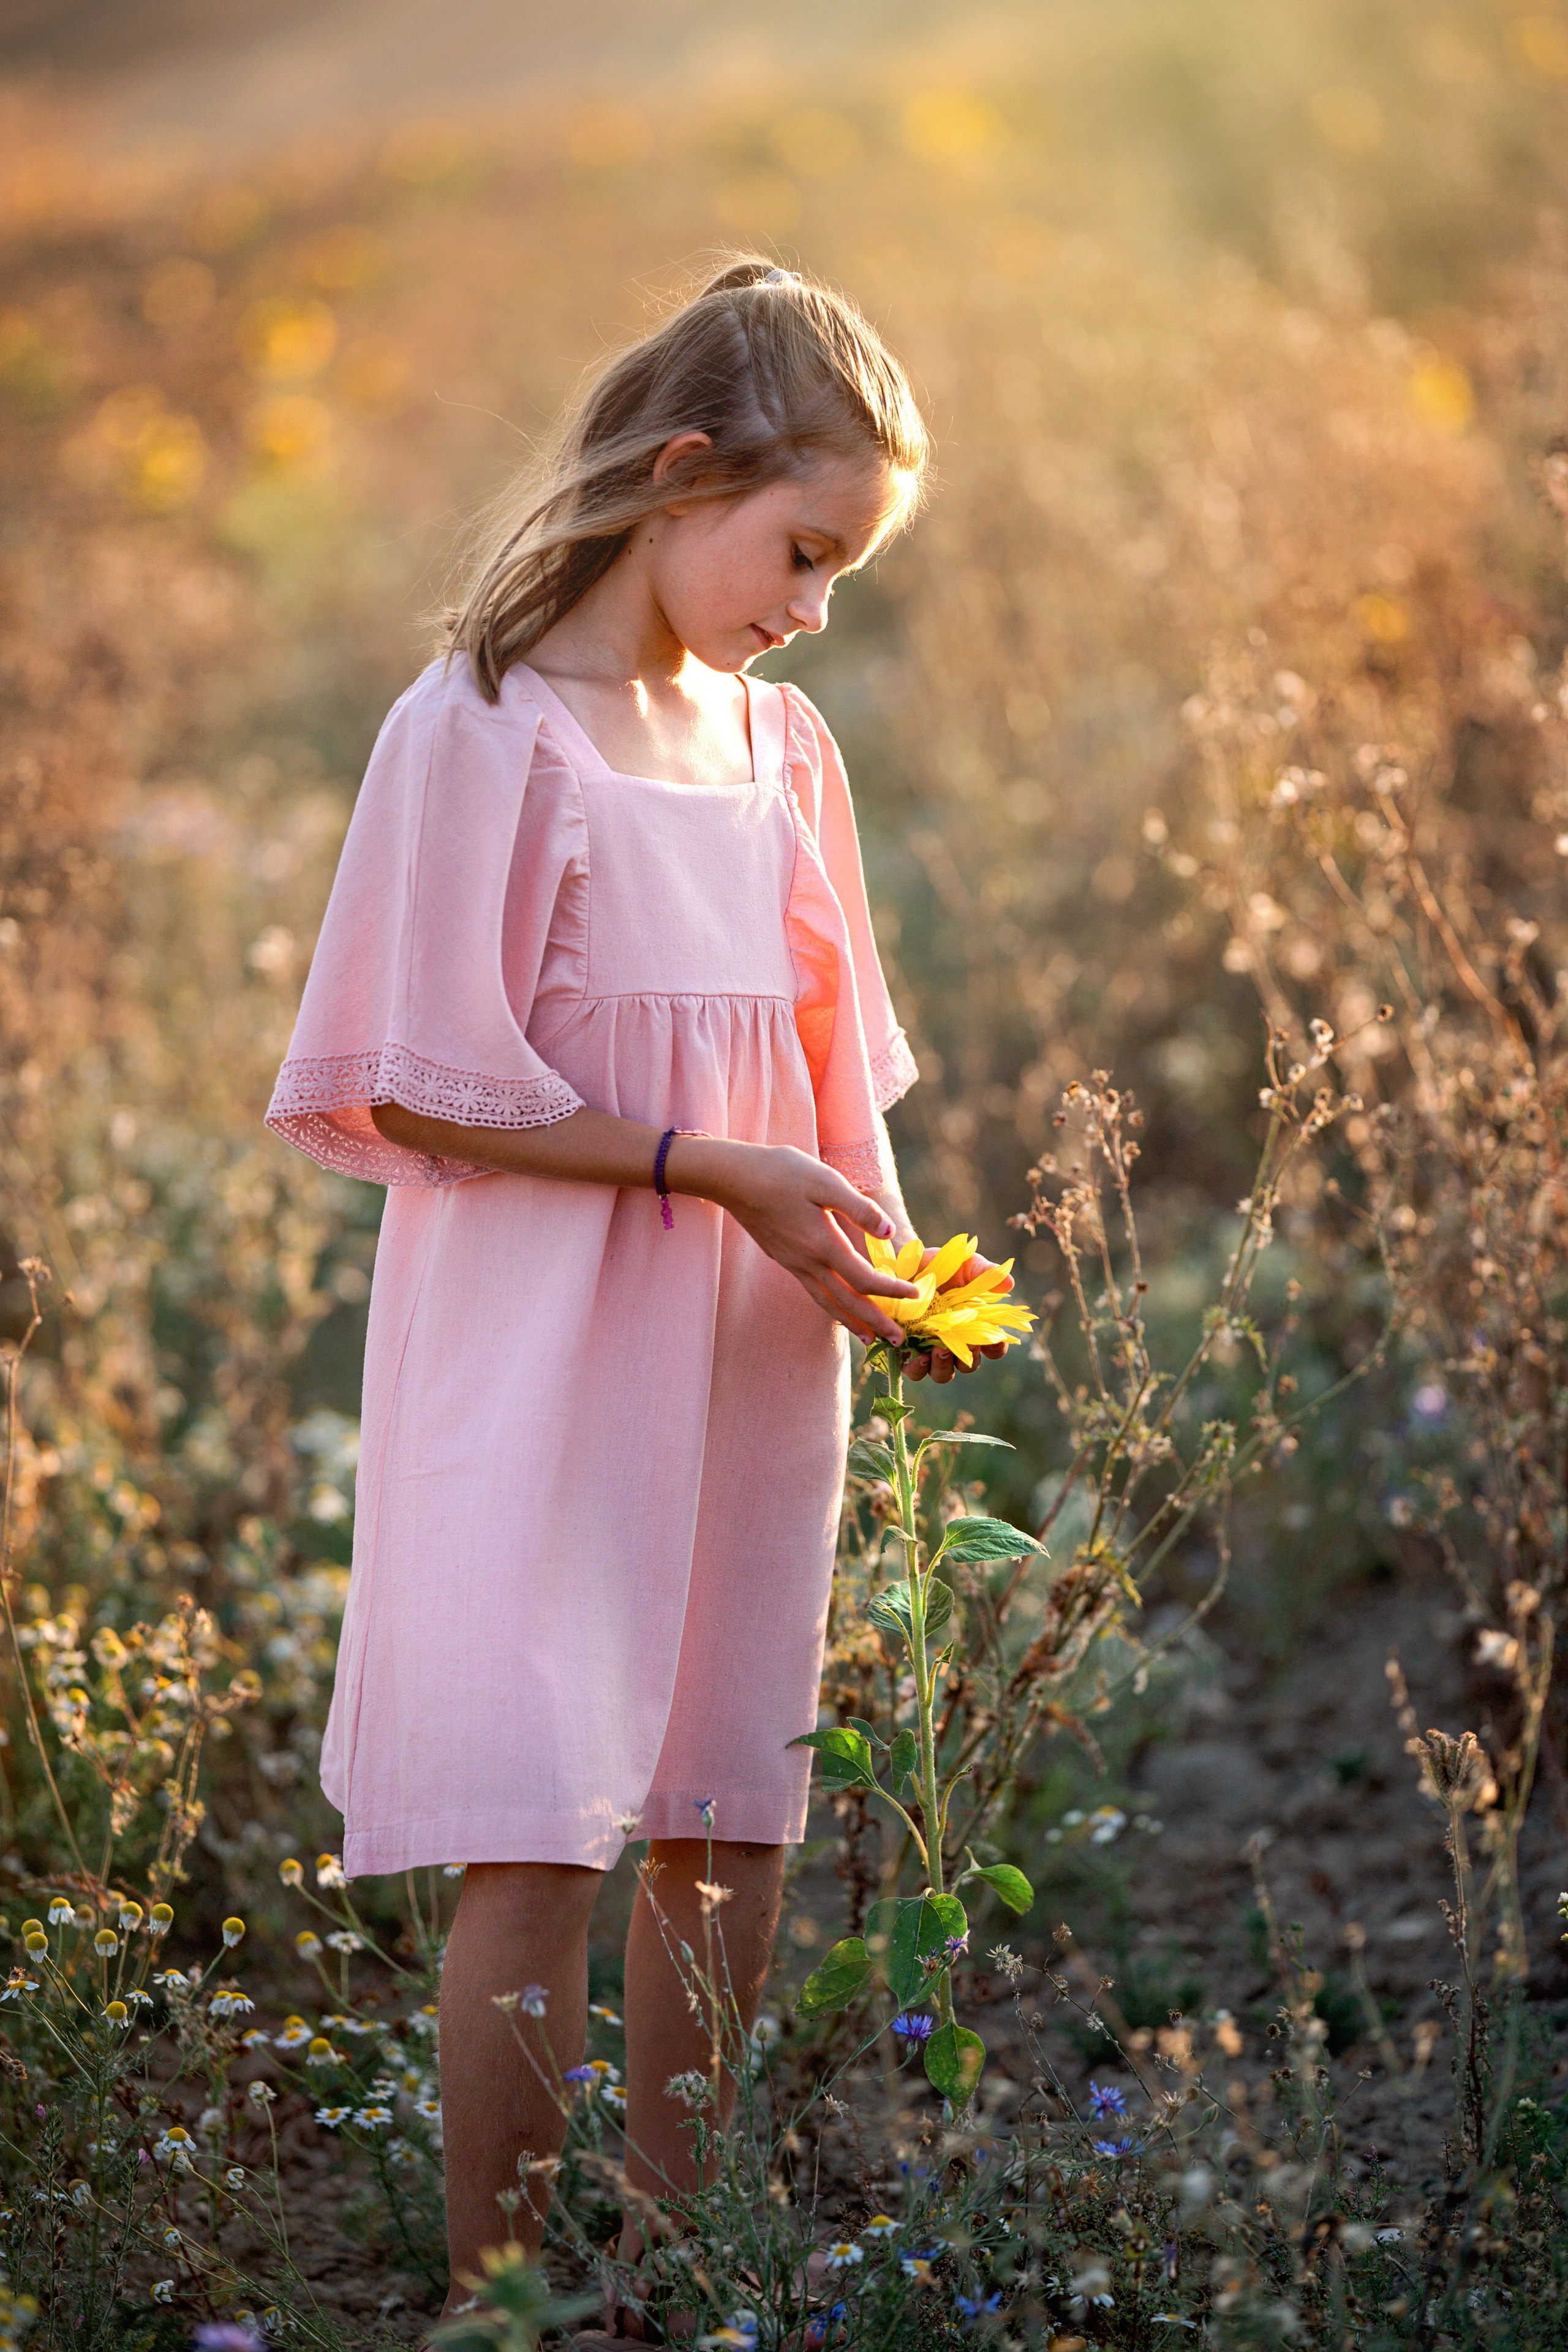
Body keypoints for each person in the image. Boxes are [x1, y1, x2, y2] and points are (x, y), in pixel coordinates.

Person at [265, 255, 1008, 2338]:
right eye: (803, 551)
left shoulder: (782, 750)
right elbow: (418, 1075)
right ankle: (503, 2302)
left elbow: (829, 1083)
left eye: (845, 570)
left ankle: (674, 2282)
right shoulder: (483, 727)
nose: (815, 607)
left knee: (724, 1817)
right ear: (681, 478)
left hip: (747, 1347)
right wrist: (712, 1169)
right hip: (539, 1339)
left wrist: (880, 1262)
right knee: (545, 1831)